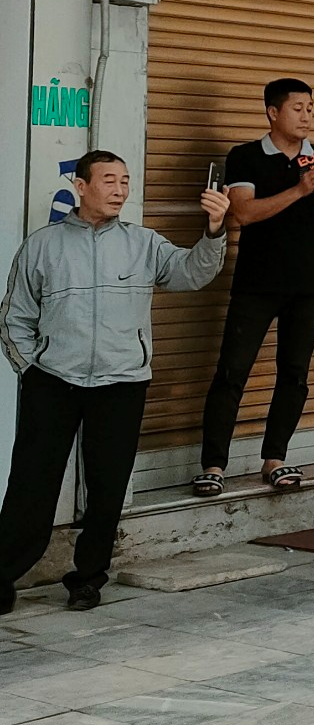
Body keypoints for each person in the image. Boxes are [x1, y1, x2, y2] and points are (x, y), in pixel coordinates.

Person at [0, 151, 231, 613]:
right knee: (31, 486)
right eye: (109, 180)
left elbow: (192, 273)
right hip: (53, 382)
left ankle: (87, 579)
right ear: (81, 187)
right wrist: (33, 367)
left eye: (125, 181)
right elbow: (14, 318)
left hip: (122, 382)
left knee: (107, 489)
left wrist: (215, 230)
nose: (120, 190)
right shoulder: (42, 246)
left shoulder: (143, 243)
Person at [194, 77, 314, 497]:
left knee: (294, 375)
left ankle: (275, 460)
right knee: (232, 372)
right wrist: (300, 189)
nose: (307, 116)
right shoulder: (246, 156)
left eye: (311, 109)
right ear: (273, 112)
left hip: (306, 284)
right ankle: (214, 465)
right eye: (298, 108)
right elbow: (243, 213)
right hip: (256, 282)